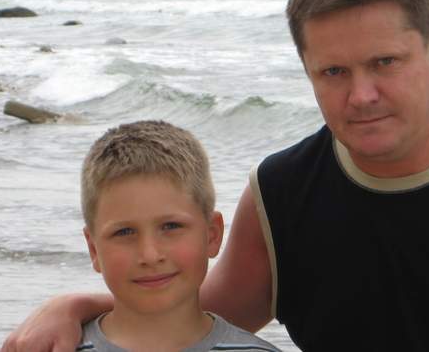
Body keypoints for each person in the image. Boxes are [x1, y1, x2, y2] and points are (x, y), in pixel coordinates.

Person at [1, 0, 429, 352]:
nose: (361, 95)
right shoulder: (281, 194)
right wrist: (74, 305)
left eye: (385, 62)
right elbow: (191, 316)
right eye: (333, 71)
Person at [71, 120, 281, 352]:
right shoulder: (55, 346)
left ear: (212, 235)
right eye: (125, 232)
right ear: (93, 249)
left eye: (171, 226)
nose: (150, 255)